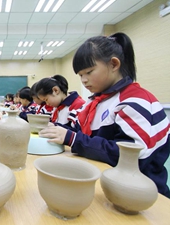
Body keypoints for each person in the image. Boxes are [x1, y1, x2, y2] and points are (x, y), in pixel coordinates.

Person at [39, 32, 170, 197]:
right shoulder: (96, 102)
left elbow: (131, 158)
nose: (84, 80)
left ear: (114, 64)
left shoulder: (137, 101)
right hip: (105, 184)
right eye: (80, 75)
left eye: (89, 72)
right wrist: (57, 129)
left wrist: (72, 139)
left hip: (140, 195)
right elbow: (80, 132)